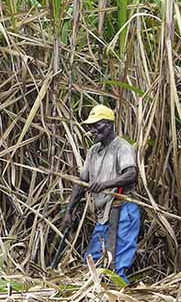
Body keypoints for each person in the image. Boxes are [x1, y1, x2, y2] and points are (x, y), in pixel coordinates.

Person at [62, 104, 141, 284]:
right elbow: (82, 183)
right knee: (92, 260)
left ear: (109, 125)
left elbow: (131, 174)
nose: (92, 130)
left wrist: (105, 184)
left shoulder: (122, 147)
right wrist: (69, 211)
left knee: (117, 265)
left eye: (96, 125)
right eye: (90, 126)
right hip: (103, 214)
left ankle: (119, 294)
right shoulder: (92, 152)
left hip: (123, 210)